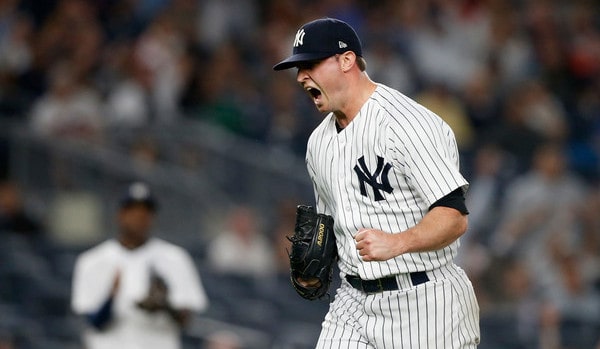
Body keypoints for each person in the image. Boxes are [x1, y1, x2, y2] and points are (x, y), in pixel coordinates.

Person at [273, 18, 480, 348]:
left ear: (346, 60)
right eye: (298, 68)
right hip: (353, 301)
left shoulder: (408, 124)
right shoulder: (318, 144)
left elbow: (454, 218)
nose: (301, 77)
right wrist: (316, 263)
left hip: (425, 303)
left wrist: (399, 242)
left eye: (310, 64)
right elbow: (329, 228)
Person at [71, 182, 208, 349]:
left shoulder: (175, 258)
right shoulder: (92, 260)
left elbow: (185, 321)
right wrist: (111, 296)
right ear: (120, 214)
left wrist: (165, 305)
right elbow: (95, 323)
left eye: (145, 212)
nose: (139, 218)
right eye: (133, 211)